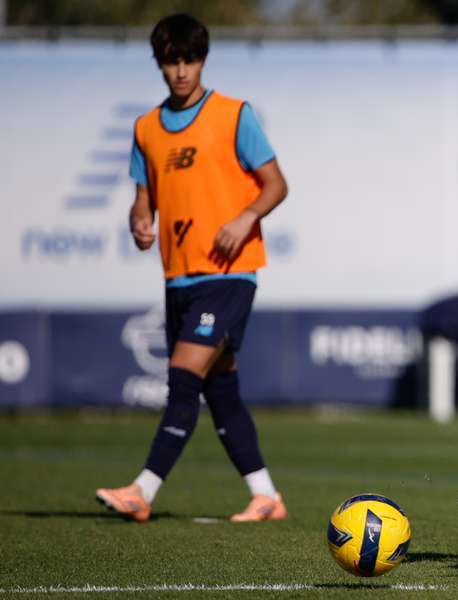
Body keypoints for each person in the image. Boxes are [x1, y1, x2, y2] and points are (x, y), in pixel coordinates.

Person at [96, 13, 289, 523]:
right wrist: (140, 222)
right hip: (177, 277)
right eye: (171, 61)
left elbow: (276, 184)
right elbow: (144, 201)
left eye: (190, 59)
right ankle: (266, 497)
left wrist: (245, 218)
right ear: (159, 64)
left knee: (183, 378)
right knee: (219, 389)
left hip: (228, 275)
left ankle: (142, 490)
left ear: (202, 60)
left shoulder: (233, 115)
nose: (181, 70)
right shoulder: (146, 129)